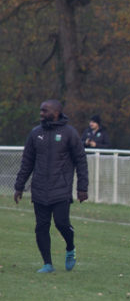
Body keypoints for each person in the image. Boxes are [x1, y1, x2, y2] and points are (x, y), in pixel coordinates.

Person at [14, 99, 89, 273]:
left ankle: (70, 247)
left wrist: (82, 187)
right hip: (39, 189)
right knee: (41, 226)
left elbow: (81, 160)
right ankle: (47, 264)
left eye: (44, 110)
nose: (41, 113)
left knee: (62, 223)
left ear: (56, 113)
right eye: (41, 110)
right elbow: (27, 162)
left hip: (61, 188)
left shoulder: (69, 133)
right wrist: (19, 186)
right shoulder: (35, 133)